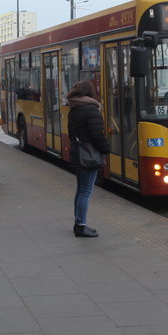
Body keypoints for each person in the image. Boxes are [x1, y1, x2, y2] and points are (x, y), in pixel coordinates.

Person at [66, 80, 110, 238]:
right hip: (89, 155)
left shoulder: (74, 109)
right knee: (85, 191)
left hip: (78, 152)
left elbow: (71, 134)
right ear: (90, 93)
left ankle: (78, 222)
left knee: (80, 190)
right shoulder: (91, 110)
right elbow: (97, 135)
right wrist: (107, 148)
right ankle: (80, 225)